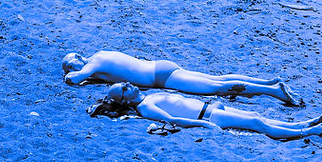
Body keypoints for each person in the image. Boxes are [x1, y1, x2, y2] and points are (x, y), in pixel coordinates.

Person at [88, 83, 322, 141]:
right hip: (207, 116)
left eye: (125, 84)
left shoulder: (148, 96)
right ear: (125, 100)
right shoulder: (145, 106)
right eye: (124, 89)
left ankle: (303, 126)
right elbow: (172, 119)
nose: (128, 85)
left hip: (209, 109)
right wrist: (204, 125)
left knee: (258, 118)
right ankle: (308, 132)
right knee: (257, 122)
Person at [62, 50, 304, 106]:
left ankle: (273, 91)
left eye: (69, 63)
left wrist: (71, 74)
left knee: (216, 88)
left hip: (160, 79)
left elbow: (75, 79)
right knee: (217, 79)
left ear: (78, 59)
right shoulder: (102, 54)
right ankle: (268, 84)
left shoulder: (92, 64)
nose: (69, 67)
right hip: (161, 66)